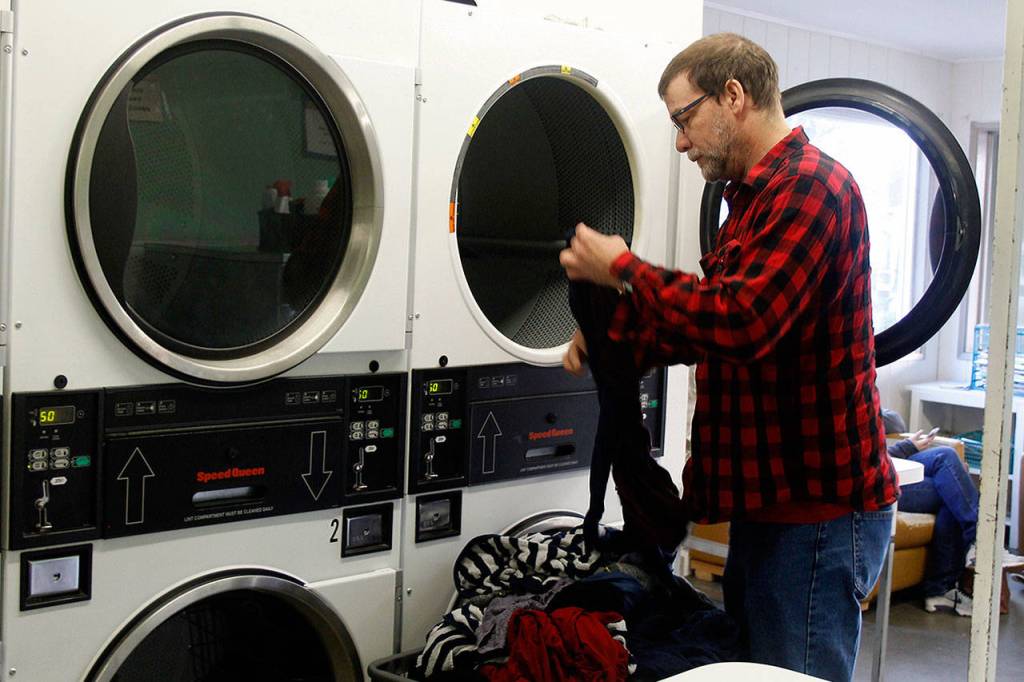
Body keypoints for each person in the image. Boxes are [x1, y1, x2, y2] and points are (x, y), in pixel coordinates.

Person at [559, 33, 898, 682]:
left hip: (817, 517)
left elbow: (743, 322)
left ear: (734, 97)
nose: (681, 142)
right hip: (773, 508)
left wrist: (625, 269)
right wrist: (615, 334)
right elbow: (709, 326)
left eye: (684, 119)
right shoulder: (753, 202)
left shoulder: (812, 189)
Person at [882, 409, 979, 616]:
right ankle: (977, 539)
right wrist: (906, 447)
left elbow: (895, 423)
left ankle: (941, 589)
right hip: (882, 480)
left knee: (947, 461)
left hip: (894, 465)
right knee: (952, 488)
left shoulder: (861, 397)